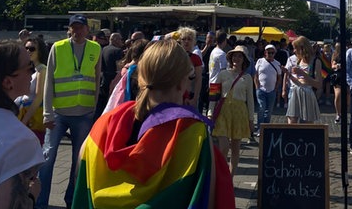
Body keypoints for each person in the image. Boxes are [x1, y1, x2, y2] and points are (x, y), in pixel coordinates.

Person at [72, 39, 235, 208]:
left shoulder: (104, 123)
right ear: (181, 83)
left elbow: (81, 177)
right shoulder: (193, 132)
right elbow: (207, 199)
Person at [37, 14, 102, 209]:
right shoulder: (58, 48)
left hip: (83, 113)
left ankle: (72, 200)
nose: (77, 31)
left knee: (78, 160)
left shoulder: (95, 48)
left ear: (87, 30)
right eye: (74, 27)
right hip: (59, 113)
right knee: (48, 158)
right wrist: (47, 113)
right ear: (69, 29)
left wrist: (93, 107)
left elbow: (97, 80)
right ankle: (40, 202)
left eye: (81, 27)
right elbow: (49, 82)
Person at [0, 40, 44, 208]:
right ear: (8, 82)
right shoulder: (19, 141)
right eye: (29, 68)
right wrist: (32, 196)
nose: (33, 74)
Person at [208, 45, 254, 177]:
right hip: (223, 111)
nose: (236, 58)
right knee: (223, 146)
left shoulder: (248, 78)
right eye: (234, 55)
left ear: (244, 60)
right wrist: (210, 112)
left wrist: (251, 120)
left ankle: (230, 177)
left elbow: (250, 100)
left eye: (240, 56)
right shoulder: (222, 74)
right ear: (230, 57)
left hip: (240, 113)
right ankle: (219, 173)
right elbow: (214, 94)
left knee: (235, 148)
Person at [16, 37, 49, 145]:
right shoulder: (29, 69)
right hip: (22, 112)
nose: (28, 51)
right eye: (26, 48)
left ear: (40, 51)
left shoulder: (42, 69)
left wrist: (25, 120)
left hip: (33, 118)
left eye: (32, 49)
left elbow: (38, 97)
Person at [284, 36, 322, 124]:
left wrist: (303, 74)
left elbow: (318, 84)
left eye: (295, 48)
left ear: (302, 48)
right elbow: (298, 81)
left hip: (307, 93)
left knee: (307, 123)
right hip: (295, 92)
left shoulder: (316, 61)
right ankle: (292, 137)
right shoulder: (298, 60)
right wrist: (288, 74)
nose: (294, 51)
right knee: (292, 120)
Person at [95, 32, 124, 119]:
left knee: (100, 106)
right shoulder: (118, 51)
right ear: (114, 40)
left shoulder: (103, 49)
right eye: (120, 39)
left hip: (102, 79)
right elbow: (119, 69)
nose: (121, 41)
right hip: (112, 80)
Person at [254, 44, 282, 135]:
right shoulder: (260, 61)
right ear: (265, 52)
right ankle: (259, 128)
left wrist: (276, 88)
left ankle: (265, 127)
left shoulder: (277, 64)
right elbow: (256, 75)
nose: (270, 54)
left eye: (272, 53)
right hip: (261, 89)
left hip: (272, 90)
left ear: (275, 53)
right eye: (268, 52)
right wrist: (257, 86)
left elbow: (279, 77)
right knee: (261, 108)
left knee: (269, 110)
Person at [177, 26, 203, 109]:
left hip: (190, 96)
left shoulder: (196, 58)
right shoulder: (174, 57)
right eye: (183, 39)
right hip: (175, 95)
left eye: (189, 39)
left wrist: (195, 98)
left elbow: (198, 80)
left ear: (194, 41)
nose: (186, 41)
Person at [331, 42, 349, 124]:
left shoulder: (348, 53)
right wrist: (337, 66)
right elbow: (332, 65)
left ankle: (344, 112)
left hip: (347, 77)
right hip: (338, 76)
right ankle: (338, 114)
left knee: (348, 96)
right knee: (338, 96)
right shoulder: (335, 55)